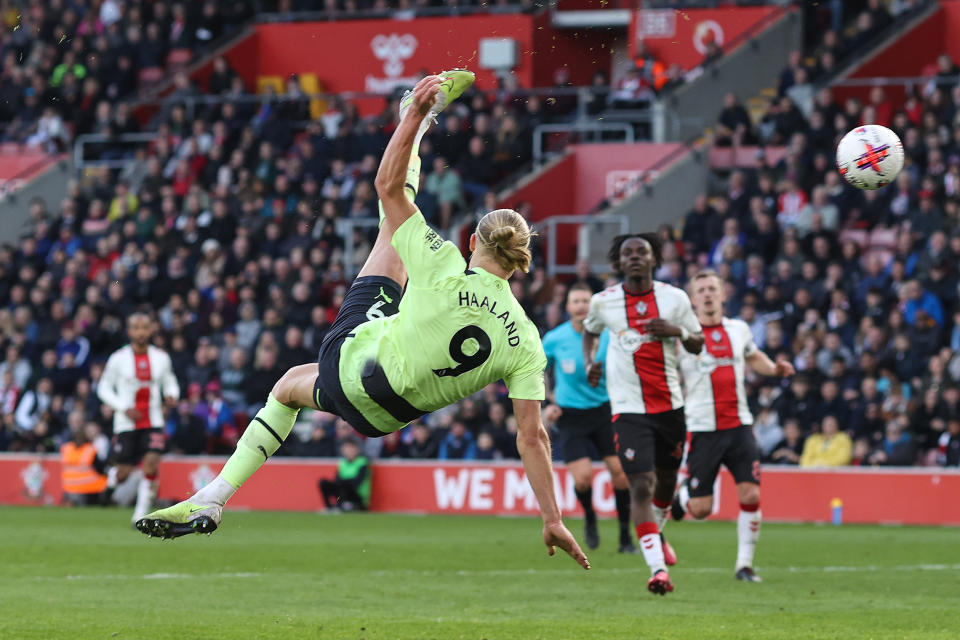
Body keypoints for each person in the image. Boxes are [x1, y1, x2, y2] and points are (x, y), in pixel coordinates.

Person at [137, 71, 589, 571]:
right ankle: (212, 497)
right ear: (521, 260)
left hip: (353, 368)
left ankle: (413, 122)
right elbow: (532, 437)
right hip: (382, 419)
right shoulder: (527, 339)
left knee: (389, 231)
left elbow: (386, 186)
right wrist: (552, 516)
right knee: (291, 384)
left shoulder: (442, 265)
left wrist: (416, 116)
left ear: (471, 244)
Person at [582, 233, 704, 595]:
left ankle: (659, 531)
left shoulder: (675, 298)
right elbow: (589, 332)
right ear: (618, 263)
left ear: (654, 260)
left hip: (670, 406)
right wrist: (591, 361)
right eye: (627, 254)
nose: (635, 257)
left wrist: (677, 331)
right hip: (628, 409)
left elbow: (697, 343)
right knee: (640, 485)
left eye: (642, 252)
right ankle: (657, 570)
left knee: (666, 483)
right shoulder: (603, 302)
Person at [670, 271, 796, 583]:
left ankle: (744, 566)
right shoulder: (683, 336)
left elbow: (755, 358)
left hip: (740, 426)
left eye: (713, 288)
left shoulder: (739, 329)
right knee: (700, 510)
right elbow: (664, 370)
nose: (708, 294)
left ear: (723, 294)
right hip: (702, 428)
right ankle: (683, 497)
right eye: (701, 290)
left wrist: (774, 369)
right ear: (693, 299)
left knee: (751, 494)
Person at [543, 283, 635, 553]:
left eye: (586, 300)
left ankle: (625, 536)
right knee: (582, 479)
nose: (581, 305)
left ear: (593, 306)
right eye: (576, 301)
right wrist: (548, 400)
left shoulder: (608, 335)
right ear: (568, 307)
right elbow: (536, 369)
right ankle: (591, 518)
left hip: (605, 410)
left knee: (620, 475)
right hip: (571, 416)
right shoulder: (555, 339)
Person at [97, 313, 180, 523]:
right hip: (126, 422)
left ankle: (140, 514)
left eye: (145, 327)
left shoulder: (161, 357)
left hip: (153, 420)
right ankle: (112, 482)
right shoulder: (118, 359)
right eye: (136, 327)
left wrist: (172, 394)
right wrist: (123, 407)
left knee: (151, 463)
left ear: (151, 330)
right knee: (124, 472)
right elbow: (103, 388)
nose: (141, 332)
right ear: (129, 331)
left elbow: (169, 380)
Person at [60, 422, 109, 506]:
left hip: (69, 488)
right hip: (90, 488)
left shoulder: (66, 448)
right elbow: (100, 468)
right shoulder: (90, 449)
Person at [318, 437, 371, 511]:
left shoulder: (362, 462)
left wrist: (343, 481)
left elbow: (357, 482)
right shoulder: (342, 463)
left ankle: (341, 506)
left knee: (345, 484)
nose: (349, 451)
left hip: (357, 496)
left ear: (357, 449)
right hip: (343, 493)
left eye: (351, 448)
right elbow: (336, 480)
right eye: (346, 449)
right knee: (323, 482)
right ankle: (329, 507)